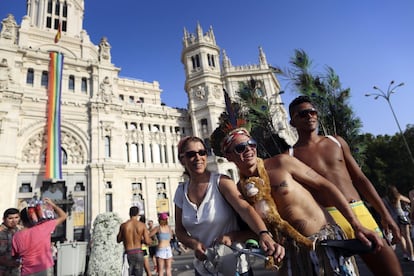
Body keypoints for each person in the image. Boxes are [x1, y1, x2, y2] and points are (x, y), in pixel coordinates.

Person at [221, 128, 383, 275]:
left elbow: (326, 186)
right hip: (291, 256)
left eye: (251, 144)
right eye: (240, 148)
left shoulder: (281, 162)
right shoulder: (240, 191)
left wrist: (356, 224)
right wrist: (235, 236)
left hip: (325, 243)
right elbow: (260, 230)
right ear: (228, 155)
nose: (249, 149)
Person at [287, 95, 403, 275]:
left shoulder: (336, 142)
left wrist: (385, 214)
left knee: (390, 270)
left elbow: (360, 179)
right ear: (292, 122)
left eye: (312, 112)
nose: (309, 116)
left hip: (359, 211)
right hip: (328, 221)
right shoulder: (290, 157)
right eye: (302, 114)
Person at [174, 136, 285, 276]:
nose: (198, 157)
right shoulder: (180, 191)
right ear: (182, 159)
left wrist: (263, 234)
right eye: (191, 154)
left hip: (235, 267)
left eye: (202, 152)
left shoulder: (221, 182)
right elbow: (179, 230)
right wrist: (194, 244)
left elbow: (244, 208)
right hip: (204, 269)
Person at [11, 198, 67, 276]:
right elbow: (63, 216)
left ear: (22, 220)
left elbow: (15, 256)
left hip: (27, 271)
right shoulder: (44, 227)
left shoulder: (16, 236)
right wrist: (53, 205)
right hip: (45, 268)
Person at [117, 206, 152, 276]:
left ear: (129, 214)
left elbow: (118, 240)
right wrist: (142, 240)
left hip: (128, 253)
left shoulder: (124, 225)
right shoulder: (142, 225)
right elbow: (148, 241)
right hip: (138, 252)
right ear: (138, 214)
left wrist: (126, 237)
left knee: (127, 273)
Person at [383, 185, 414, 261]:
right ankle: (412, 256)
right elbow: (408, 201)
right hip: (402, 216)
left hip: (393, 219)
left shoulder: (384, 199)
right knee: (407, 237)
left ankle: (406, 254)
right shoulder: (398, 196)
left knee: (401, 237)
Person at [0, 208, 21, 276]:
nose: (14, 220)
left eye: (16, 217)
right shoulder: (0, 231)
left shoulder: (20, 231)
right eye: (10, 218)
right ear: (4, 219)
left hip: (14, 270)